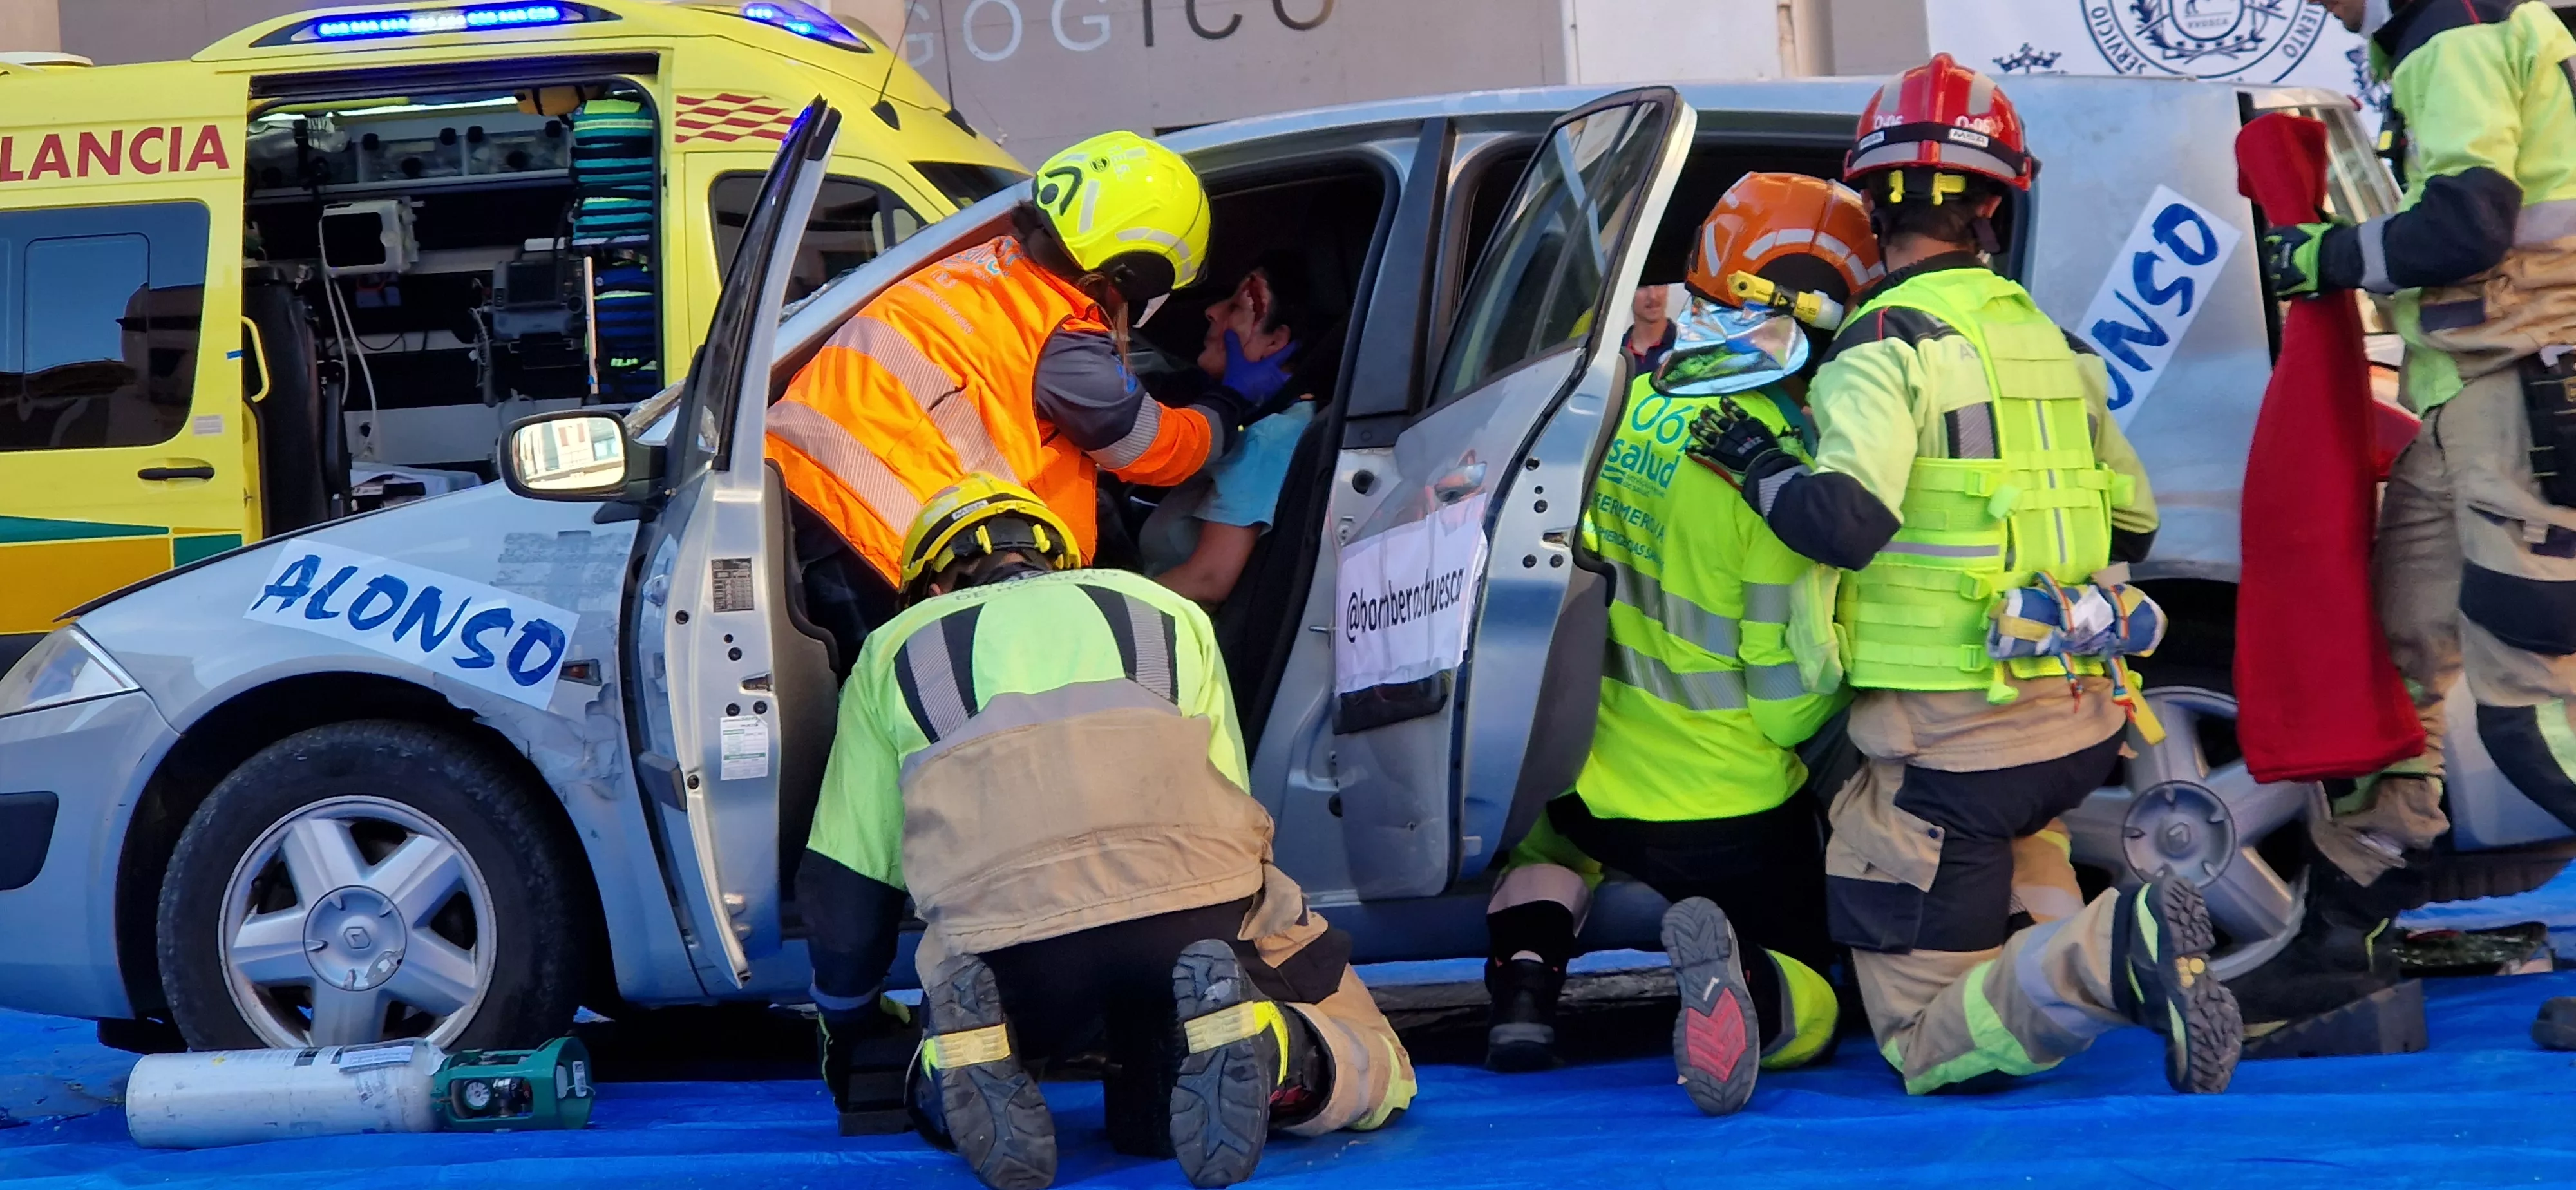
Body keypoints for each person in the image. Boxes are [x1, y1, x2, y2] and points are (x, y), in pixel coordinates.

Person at [1689, 55, 2242, 1095]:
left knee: (1920, 1036)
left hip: (1950, 749)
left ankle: (2108, 949)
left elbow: (1845, 521)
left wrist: (1756, 462)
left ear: (1871, 200)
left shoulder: (1885, 344)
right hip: (2077, 724)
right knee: (2009, 846)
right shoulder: (2052, 339)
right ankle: (2077, 946)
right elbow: (2134, 515)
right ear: (1995, 202)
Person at [796, 475, 1416, 1190]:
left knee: (962, 1019)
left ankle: (952, 1061)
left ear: (931, 586)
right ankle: (1278, 1049)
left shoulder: (892, 649)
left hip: (1006, 947)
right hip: (1190, 920)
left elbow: (850, 878)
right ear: (1059, 559)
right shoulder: (1165, 610)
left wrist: (848, 1022)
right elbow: (1231, 802)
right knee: (1373, 1052)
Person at [1481, 174, 1877, 1113]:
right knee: (1824, 997)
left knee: (1540, 852)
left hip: (1588, 778)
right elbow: (1786, 696)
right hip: (1725, 811)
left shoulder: (1636, 404)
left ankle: (1526, 990)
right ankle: (1752, 989)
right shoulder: (1778, 466)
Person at [2272, 0, 2576, 1048]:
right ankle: (2345, 937)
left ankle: (2343, 936)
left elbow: (2466, 224)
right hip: (2476, 392)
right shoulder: (2455, 31)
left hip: (2525, 392)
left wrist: (2320, 257)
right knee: (2393, 672)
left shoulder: (2455, 29)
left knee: (2530, 712)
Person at [766, 131, 1269, 621]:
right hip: (867, 533)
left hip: (787, 494)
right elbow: (1151, 451)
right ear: (1131, 275)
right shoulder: (1059, 331)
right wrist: (1230, 402)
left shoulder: (980, 267)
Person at [1144, 250, 1323, 605]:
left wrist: (1098, 604)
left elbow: (1208, 580)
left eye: (1237, 308)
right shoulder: (1257, 423)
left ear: (1276, 341)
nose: (1212, 311)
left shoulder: (1270, 436)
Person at [1624, 284, 1679, 375]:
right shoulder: (1613, 356)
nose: (1653, 296)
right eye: (1642, 286)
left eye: (1659, 284)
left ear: (1667, 288)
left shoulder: (1687, 346)